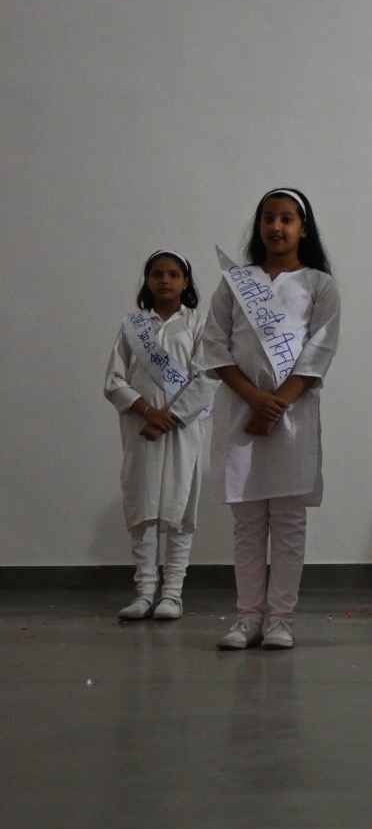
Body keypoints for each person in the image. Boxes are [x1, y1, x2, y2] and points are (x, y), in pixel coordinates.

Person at [203, 187, 340, 651]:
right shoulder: (235, 283)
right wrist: (254, 399)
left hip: (293, 416)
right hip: (240, 410)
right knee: (246, 523)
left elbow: (320, 349)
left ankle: (281, 619)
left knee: (288, 521)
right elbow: (214, 345)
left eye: (286, 219)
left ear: (303, 229)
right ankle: (247, 618)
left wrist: (276, 404)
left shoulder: (319, 284)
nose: (276, 227)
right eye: (268, 218)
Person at [103, 250, 216, 622]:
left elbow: (207, 378)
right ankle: (144, 592)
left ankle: (172, 594)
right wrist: (149, 413)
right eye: (156, 274)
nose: (165, 280)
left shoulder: (199, 324)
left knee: (179, 508)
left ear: (186, 282)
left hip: (184, 431)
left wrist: (169, 418)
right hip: (141, 429)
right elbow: (114, 381)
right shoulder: (132, 326)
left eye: (173, 274)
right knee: (143, 506)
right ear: (148, 281)